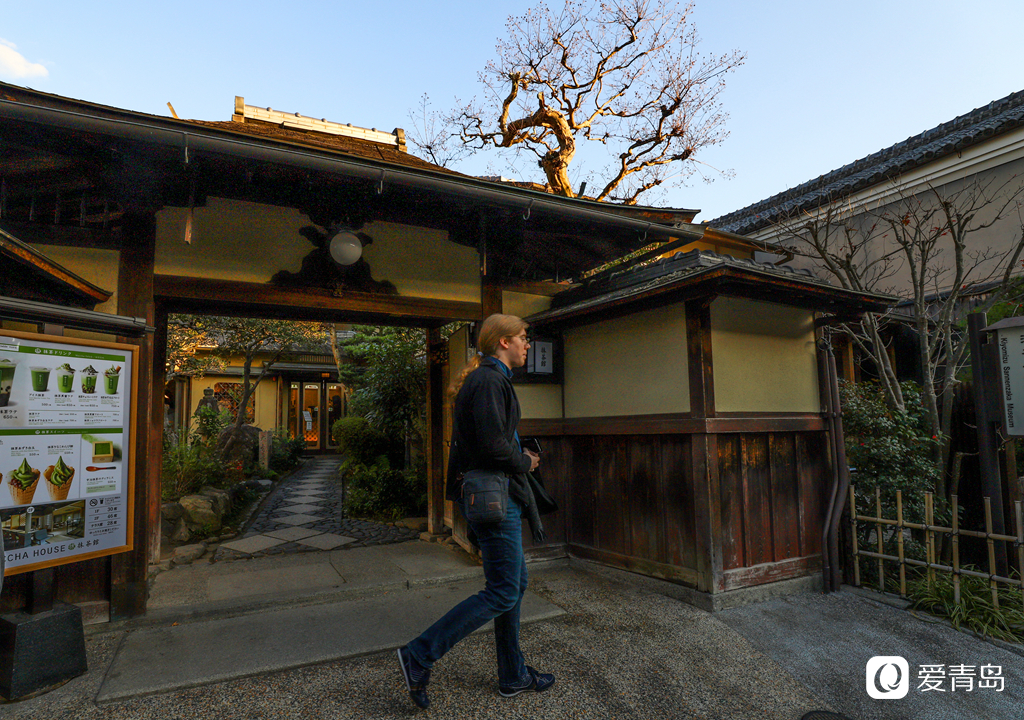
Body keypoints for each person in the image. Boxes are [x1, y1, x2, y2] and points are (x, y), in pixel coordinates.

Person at [397, 313, 554, 709]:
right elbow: (491, 448)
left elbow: (491, 440)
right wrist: (525, 461)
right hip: (494, 497)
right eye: (522, 338)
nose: (527, 344)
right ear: (502, 341)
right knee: (503, 589)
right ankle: (420, 653)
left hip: (498, 495)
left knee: (512, 586)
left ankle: (512, 673)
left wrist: (518, 458)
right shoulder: (487, 380)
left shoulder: (488, 379)